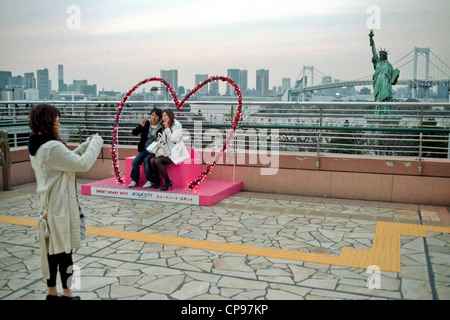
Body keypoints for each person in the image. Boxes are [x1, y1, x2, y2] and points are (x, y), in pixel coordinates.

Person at [28, 104, 103, 300]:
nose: (59, 124)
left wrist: (86, 144)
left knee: (52, 252)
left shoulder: (37, 145)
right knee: (65, 253)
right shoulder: (52, 147)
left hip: (48, 206)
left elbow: (67, 160)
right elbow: (82, 164)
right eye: (57, 120)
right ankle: (67, 294)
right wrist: (97, 142)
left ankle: (52, 293)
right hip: (60, 207)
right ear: (47, 122)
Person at [150, 109, 190, 191]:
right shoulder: (165, 125)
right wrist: (159, 140)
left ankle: (168, 181)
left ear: (170, 116)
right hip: (167, 151)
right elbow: (165, 140)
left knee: (158, 161)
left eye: (165, 116)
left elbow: (174, 139)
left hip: (176, 151)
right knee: (152, 160)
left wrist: (167, 128)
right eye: (162, 116)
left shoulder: (177, 125)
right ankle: (157, 180)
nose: (163, 118)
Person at [129, 108, 163, 188]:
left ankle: (150, 181)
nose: (153, 117)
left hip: (154, 150)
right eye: (152, 115)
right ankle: (134, 180)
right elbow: (134, 133)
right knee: (135, 162)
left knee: (146, 160)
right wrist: (140, 126)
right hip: (144, 149)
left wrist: (160, 140)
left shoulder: (162, 126)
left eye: (156, 116)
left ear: (159, 118)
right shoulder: (146, 124)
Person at [369, 30, 399, 115]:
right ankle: (379, 111)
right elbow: (373, 50)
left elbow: (393, 77)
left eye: (383, 55)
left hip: (385, 81)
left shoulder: (389, 65)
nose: (381, 55)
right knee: (379, 97)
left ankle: (386, 111)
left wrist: (396, 75)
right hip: (378, 82)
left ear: (385, 56)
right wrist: (371, 38)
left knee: (385, 96)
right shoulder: (377, 62)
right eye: (380, 54)